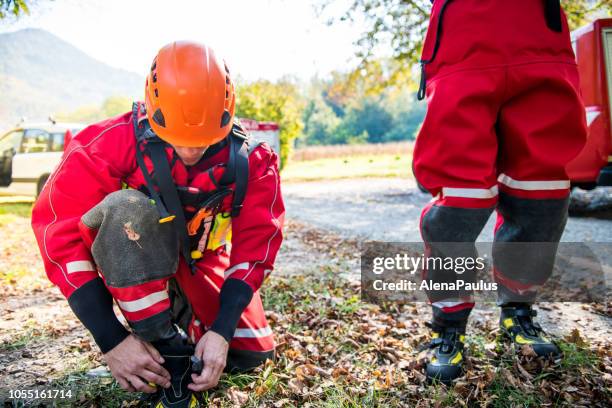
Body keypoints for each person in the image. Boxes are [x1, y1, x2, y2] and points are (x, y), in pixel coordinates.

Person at [31, 41, 284, 407]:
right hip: (138, 259)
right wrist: (111, 340)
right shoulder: (110, 142)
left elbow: (256, 249)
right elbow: (59, 236)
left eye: (204, 140)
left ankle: (192, 325)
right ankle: (166, 346)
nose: (191, 151)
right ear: (152, 110)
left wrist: (223, 331)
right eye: (178, 139)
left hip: (202, 259)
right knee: (127, 209)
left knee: (251, 357)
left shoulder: (253, 162)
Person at [413, 0, 587, 383]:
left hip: (540, 46)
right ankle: (449, 326)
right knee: (459, 202)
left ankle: (517, 311)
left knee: (540, 196)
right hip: (462, 47)